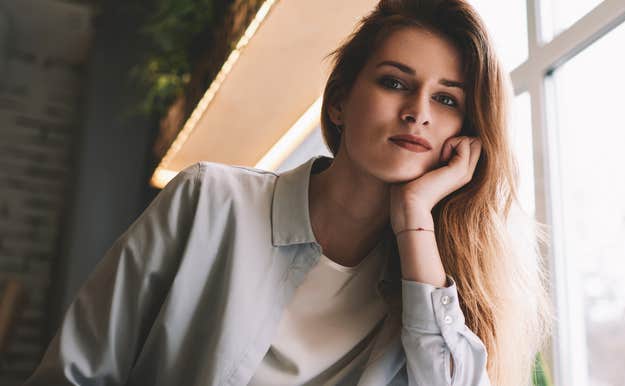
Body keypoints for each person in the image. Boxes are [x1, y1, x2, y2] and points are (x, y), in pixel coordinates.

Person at [24, 0, 553, 385]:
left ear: (465, 136)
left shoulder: (430, 283)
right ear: (340, 102)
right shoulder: (209, 201)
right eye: (395, 82)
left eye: (446, 100)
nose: (418, 112)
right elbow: (74, 372)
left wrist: (414, 217)